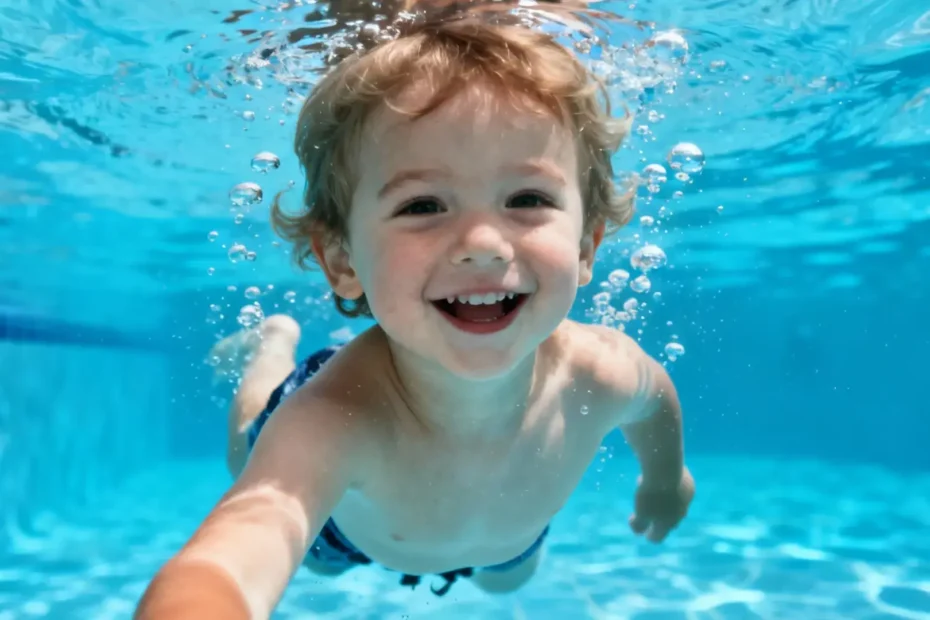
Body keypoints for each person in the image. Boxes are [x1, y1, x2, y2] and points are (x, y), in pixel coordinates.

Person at [134, 15, 694, 620]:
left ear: (586, 246)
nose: (483, 243)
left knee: (507, 582)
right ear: (343, 260)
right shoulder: (330, 421)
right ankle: (274, 343)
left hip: (509, 535)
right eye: (423, 205)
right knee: (250, 460)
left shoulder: (604, 370)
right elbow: (236, 551)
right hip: (344, 533)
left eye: (527, 199)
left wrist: (666, 478)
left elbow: (655, 401)